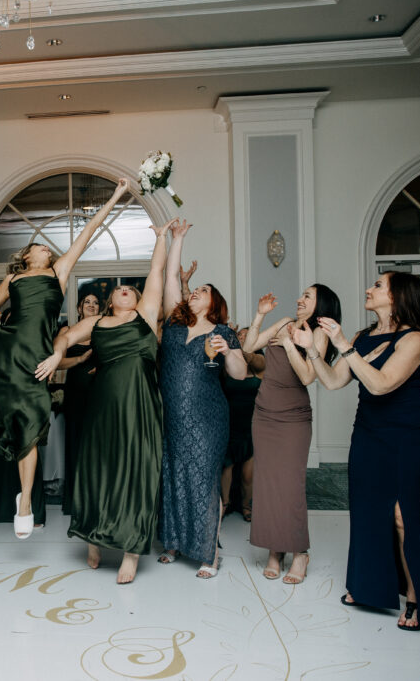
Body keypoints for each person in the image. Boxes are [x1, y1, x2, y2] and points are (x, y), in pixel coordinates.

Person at [0, 178, 132, 539]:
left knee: (26, 434)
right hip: (5, 353)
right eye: (40, 246)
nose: (48, 248)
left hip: (34, 361)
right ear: (27, 255)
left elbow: (90, 230)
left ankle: (26, 501)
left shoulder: (57, 274)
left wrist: (116, 196)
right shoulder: (13, 277)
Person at [293, 271, 420, 631]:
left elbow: (382, 385)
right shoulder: (362, 336)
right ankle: (368, 587)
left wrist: (345, 347)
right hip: (369, 430)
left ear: (398, 295)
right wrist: (312, 347)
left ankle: (417, 596)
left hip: (406, 431)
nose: (368, 289)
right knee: (368, 509)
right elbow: (332, 381)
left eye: (377, 286)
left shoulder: (414, 338)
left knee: (403, 515)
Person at [36, 219, 169, 583]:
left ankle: (131, 551)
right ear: (109, 300)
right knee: (99, 469)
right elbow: (63, 338)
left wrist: (160, 238)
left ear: (139, 299)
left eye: (130, 288)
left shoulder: (146, 317)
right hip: (104, 407)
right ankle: (94, 536)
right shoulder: (95, 325)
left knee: (139, 471)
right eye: (119, 288)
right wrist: (54, 355)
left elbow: (156, 270)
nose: (125, 289)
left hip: (141, 405)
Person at [157, 219, 246, 578]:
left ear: (214, 302)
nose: (196, 292)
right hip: (173, 414)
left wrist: (229, 351)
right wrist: (177, 239)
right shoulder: (174, 325)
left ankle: (209, 553)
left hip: (208, 417)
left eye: (203, 290)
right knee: (175, 475)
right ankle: (175, 542)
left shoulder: (223, 331)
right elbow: (168, 281)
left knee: (203, 478)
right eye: (195, 289)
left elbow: (239, 374)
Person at [243, 284, 342, 584]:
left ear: (321, 303)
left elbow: (308, 376)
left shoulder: (319, 333)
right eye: (301, 295)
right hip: (263, 414)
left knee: (291, 486)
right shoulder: (285, 321)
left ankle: (299, 551)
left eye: (307, 296)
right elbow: (249, 347)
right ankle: (276, 550)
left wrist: (288, 344)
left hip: (292, 419)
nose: (300, 299)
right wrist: (260, 317)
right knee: (268, 484)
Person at [58, 292, 101, 514]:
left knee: (96, 447)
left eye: (95, 303)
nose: (91, 306)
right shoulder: (68, 332)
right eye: (87, 302)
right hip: (75, 394)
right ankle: (75, 501)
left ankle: (95, 499)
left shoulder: (103, 332)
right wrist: (80, 360)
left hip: (100, 396)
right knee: (76, 443)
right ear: (79, 308)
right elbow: (57, 362)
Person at [220, 327, 264, 523]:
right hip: (228, 424)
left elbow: (251, 358)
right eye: (240, 334)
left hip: (252, 426)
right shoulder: (227, 361)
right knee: (226, 469)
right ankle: (225, 505)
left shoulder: (259, 362)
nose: (243, 336)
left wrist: (236, 344)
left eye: (247, 334)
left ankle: (247, 506)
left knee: (247, 475)